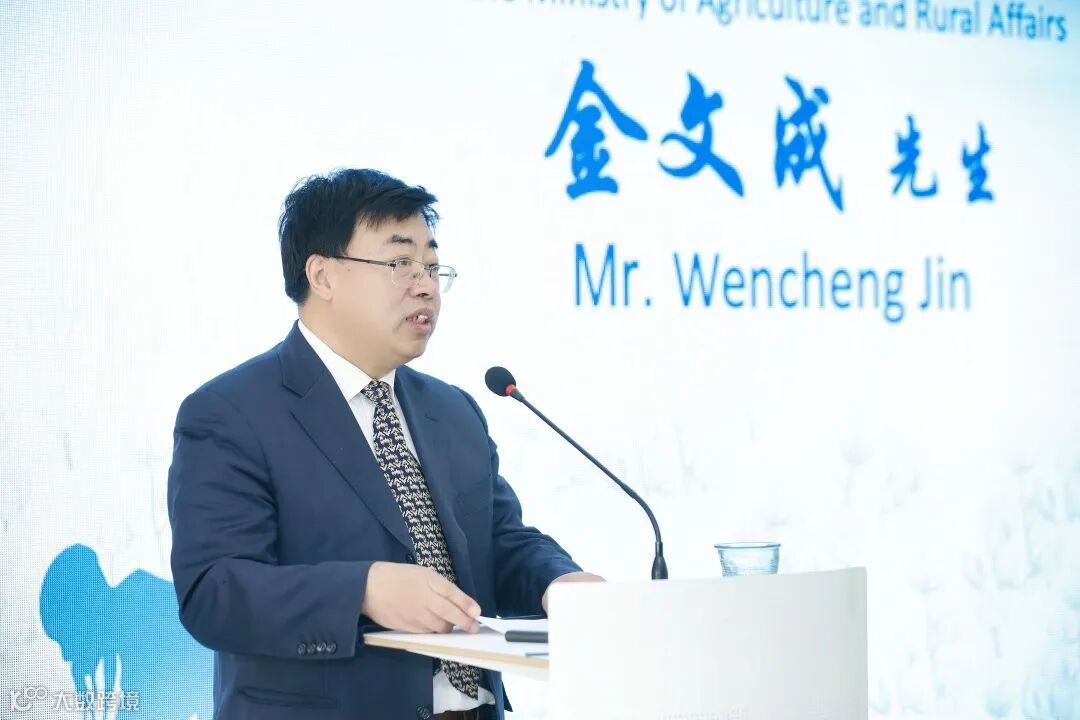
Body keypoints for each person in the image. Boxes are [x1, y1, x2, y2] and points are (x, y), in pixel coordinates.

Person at [167, 168, 601, 720]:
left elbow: (498, 540)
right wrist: (363, 590)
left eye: (432, 266)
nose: (425, 286)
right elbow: (215, 592)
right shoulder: (232, 412)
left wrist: (558, 582)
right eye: (400, 263)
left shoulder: (452, 410)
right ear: (323, 275)